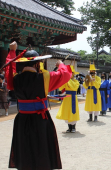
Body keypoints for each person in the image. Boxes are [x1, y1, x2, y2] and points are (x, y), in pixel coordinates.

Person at [7, 41, 72, 169]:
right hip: (40, 119)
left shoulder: (15, 79)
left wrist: (12, 51)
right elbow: (65, 75)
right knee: (41, 147)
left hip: (22, 119)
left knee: (24, 147)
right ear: (37, 64)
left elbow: (10, 67)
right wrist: (61, 65)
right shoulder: (45, 78)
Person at [56, 65, 80, 133]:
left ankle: (73, 127)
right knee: (67, 111)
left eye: (71, 73)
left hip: (73, 98)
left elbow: (73, 87)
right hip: (67, 98)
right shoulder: (67, 81)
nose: (71, 74)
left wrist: (67, 79)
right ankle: (69, 127)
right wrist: (61, 79)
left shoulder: (76, 82)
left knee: (73, 111)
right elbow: (60, 87)